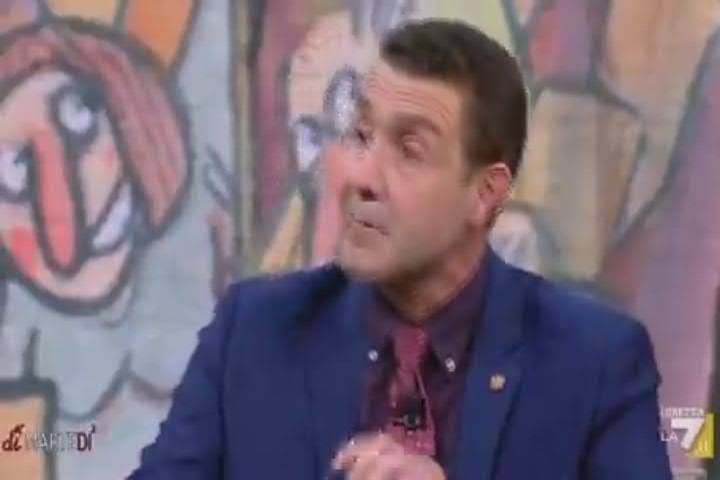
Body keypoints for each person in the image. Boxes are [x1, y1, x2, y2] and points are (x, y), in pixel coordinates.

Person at [130, 20, 672, 480]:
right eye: (362, 135)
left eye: (410, 151)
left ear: (485, 194)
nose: (362, 177)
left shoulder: (594, 362)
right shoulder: (256, 332)